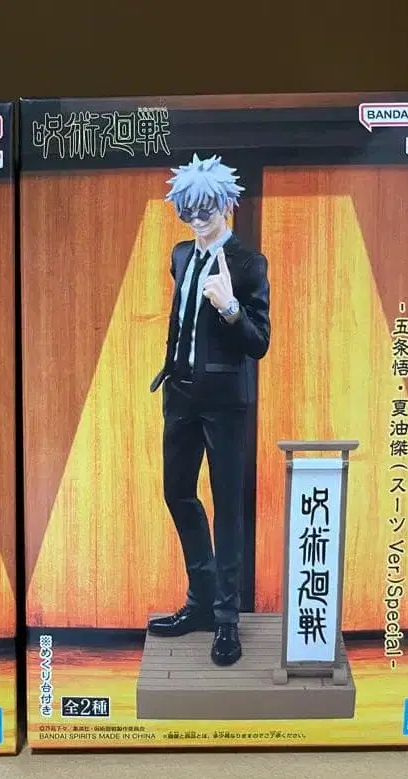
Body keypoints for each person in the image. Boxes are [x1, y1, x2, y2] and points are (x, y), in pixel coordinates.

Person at [147, 153, 271, 666]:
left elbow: (259, 342)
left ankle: (226, 619)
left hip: (225, 404)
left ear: (226, 205)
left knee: (228, 507)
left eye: (207, 209)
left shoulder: (248, 264)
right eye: (188, 211)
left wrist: (230, 308)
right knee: (177, 492)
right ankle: (200, 601)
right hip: (180, 395)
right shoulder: (180, 256)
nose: (198, 219)